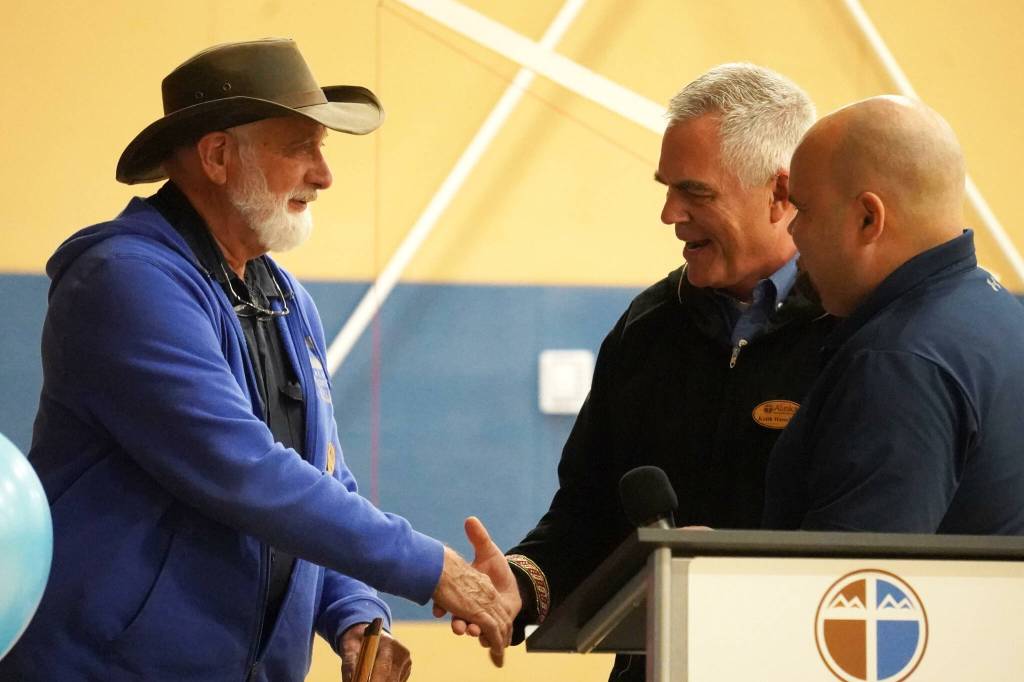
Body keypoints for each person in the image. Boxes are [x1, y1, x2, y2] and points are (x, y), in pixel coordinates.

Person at [0, 39, 512, 682]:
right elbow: (244, 470)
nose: (324, 175)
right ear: (217, 156)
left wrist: (353, 612)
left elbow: (321, 481)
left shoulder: (285, 299)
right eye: (301, 147)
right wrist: (433, 567)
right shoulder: (124, 279)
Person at [441, 63, 834, 681]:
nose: (669, 213)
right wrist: (518, 585)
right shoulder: (648, 326)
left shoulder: (855, 329)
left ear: (780, 194)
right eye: (666, 188)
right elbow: (588, 514)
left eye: (695, 192)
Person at [763, 96, 1024, 533]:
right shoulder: (997, 313)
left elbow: (854, 572)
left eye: (803, 210)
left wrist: (716, 569)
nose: (793, 232)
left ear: (869, 218)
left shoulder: (897, 362)